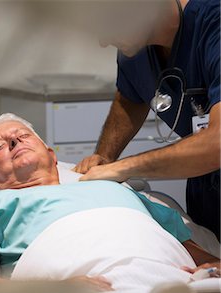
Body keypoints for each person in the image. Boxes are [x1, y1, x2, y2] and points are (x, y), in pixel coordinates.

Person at [0, 114, 220, 293]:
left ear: (51, 154)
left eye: (23, 135)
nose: (13, 140)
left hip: (175, 283)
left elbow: (195, 253)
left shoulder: (115, 189)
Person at [73, 0, 220, 240]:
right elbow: (129, 98)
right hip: (207, 193)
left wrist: (120, 167)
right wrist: (105, 157)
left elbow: (217, 143)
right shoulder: (137, 49)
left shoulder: (214, 22)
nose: (103, 42)